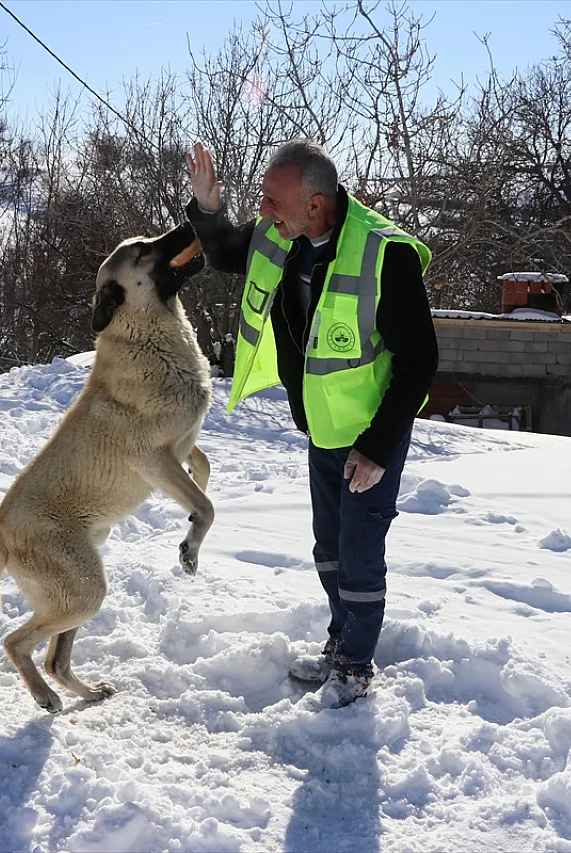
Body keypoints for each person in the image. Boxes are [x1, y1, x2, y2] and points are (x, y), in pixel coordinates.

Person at [185, 140, 438, 708]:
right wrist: (206, 208)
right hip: (322, 427)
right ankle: (338, 643)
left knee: (358, 552)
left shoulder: (383, 253)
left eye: (273, 201)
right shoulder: (284, 236)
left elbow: (420, 360)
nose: (265, 212)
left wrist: (376, 447)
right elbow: (227, 251)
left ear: (316, 203)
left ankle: (354, 666)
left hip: (372, 435)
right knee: (328, 547)